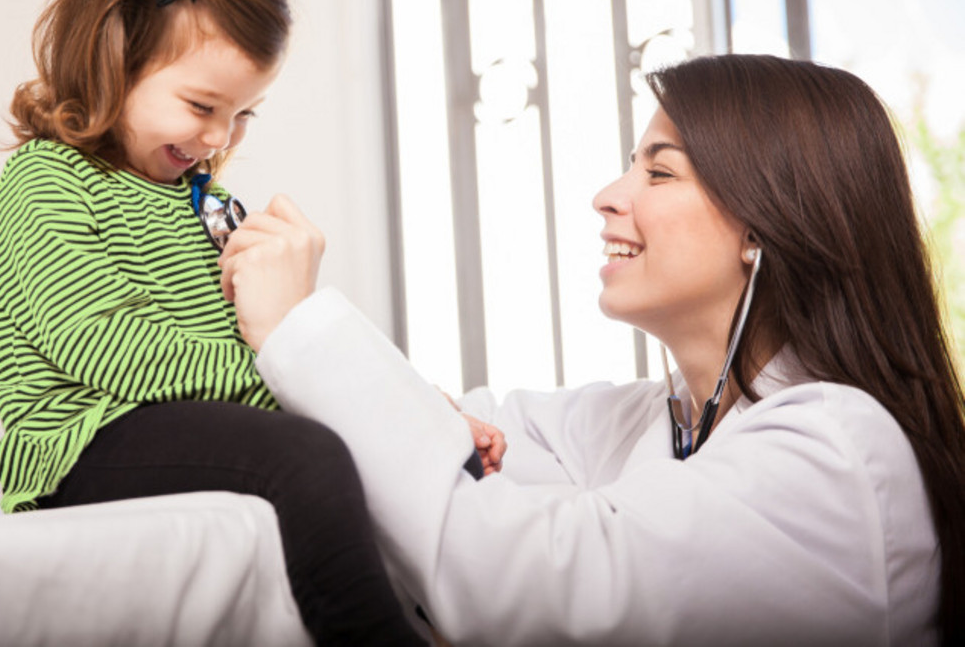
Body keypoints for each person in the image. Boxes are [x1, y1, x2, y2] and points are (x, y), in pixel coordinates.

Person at [219, 54, 965, 646]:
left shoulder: (836, 452)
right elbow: (459, 440)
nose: (607, 195)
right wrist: (423, 418)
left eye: (659, 171)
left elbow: (521, 581)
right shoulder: (648, 421)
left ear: (762, 226)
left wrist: (299, 325)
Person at [0, 0, 491, 643]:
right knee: (305, 455)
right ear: (114, 59)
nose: (220, 138)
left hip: (192, 419)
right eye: (201, 106)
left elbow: (280, 335)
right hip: (82, 443)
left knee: (407, 450)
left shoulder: (209, 203)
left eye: (244, 113)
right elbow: (104, 348)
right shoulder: (47, 181)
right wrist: (299, 389)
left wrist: (404, 404)